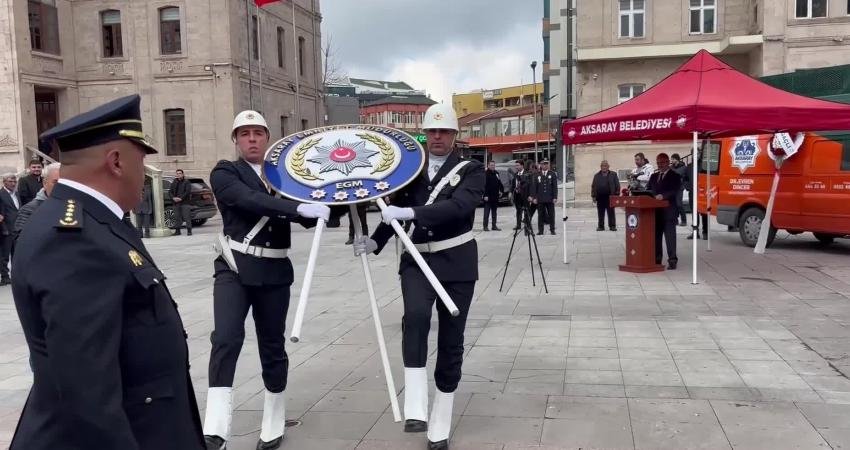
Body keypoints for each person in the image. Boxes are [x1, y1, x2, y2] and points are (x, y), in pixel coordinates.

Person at [10, 94, 204, 449]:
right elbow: (88, 397)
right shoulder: (71, 240)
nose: (144, 172)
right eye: (141, 159)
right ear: (116, 161)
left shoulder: (98, 221)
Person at [353, 103, 484, 450]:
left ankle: (441, 417)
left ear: (454, 135)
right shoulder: (411, 170)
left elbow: (459, 207)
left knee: (452, 339)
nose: (437, 137)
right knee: (414, 317)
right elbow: (390, 211)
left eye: (444, 131)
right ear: (424, 134)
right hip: (416, 259)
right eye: (432, 131)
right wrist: (375, 241)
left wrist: (411, 212)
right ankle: (415, 405)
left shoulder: (471, 170)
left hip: (456, 261)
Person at [202, 110, 334, 450]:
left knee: (272, 345)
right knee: (225, 339)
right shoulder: (225, 172)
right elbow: (247, 199)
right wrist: (297, 209)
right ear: (236, 140)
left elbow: (313, 214)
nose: (252, 139)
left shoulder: (286, 176)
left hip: (274, 270)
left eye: (258, 133)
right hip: (234, 267)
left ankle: (274, 418)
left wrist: (331, 197)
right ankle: (215, 427)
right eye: (244, 133)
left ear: (267, 138)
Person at [647, 153, 682, 270]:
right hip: (656, 212)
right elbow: (649, 190)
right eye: (658, 163)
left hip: (669, 212)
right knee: (656, 238)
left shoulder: (675, 176)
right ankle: (657, 260)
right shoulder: (653, 176)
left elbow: (674, 190)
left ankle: (672, 261)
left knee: (670, 238)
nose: (660, 165)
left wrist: (663, 196)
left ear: (667, 162)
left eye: (662, 163)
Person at [13, 162, 60, 241]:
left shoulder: (76, 205)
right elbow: (21, 240)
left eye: (64, 183)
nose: (61, 187)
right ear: (45, 183)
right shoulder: (29, 210)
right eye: (55, 182)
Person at [0, 174, 21, 285]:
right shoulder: (1, 195)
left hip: (17, 229)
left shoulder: (16, 194)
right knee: (4, 255)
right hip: (6, 230)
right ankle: (4, 277)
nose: (13, 183)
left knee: (16, 254)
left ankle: (15, 275)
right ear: (4, 182)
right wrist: (4, 229)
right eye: (10, 181)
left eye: (14, 181)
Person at [684, 154, 708, 240]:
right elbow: (685, 178)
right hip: (692, 192)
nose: (696, 155)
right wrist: (688, 187)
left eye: (697, 153)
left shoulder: (704, 165)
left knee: (704, 213)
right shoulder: (689, 166)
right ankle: (695, 232)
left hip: (702, 192)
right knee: (694, 213)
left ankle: (705, 232)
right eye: (694, 153)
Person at [590, 160, 619, 231]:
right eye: (602, 166)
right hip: (600, 197)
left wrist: (616, 194)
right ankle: (601, 226)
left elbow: (617, 185)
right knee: (600, 212)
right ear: (600, 167)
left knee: (611, 212)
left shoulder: (613, 174)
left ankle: (612, 226)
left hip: (610, 197)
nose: (604, 167)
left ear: (608, 167)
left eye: (605, 166)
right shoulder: (596, 175)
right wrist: (593, 196)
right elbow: (593, 186)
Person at [531, 159, 558, 235]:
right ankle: (540, 230)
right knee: (540, 215)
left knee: (551, 215)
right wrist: (534, 198)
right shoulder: (537, 175)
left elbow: (554, 187)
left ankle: (552, 230)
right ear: (541, 165)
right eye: (543, 164)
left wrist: (555, 197)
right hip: (540, 198)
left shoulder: (552, 174)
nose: (545, 165)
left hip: (550, 198)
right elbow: (534, 187)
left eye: (546, 164)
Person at [170, 169, 192, 235]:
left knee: (187, 217)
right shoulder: (174, 182)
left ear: (183, 174)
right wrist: (173, 198)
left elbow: (187, 191)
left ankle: (189, 231)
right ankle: (177, 231)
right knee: (177, 217)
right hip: (176, 203)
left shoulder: (187, 182)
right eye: (177, 173)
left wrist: (181, 198)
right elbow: (170, 191)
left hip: (185, 202)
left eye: (180, 173)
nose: (178, 175)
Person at [483, 160, 503, 231]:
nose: (493, 166)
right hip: (488, 197)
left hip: (495, 196)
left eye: (494, 165)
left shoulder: (496, 173)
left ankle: (494, 226)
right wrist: (485, 195)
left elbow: (499, 183)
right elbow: (484, 185)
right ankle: (485, 226)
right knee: (486, 213)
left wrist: (501, 190)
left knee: (494, 212)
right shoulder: (485, 174)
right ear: (488, 166)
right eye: (491, 165)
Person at [510, 160, 531, 230]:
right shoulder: (515, 174)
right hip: (517, 195)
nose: (516, 167)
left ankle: (527, 225)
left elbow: (529, 185)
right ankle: (518, 225)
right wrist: (511, 192)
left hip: (525, 195)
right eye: (515, 165)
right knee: (518, 211)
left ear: (522, 165)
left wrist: (530, 195)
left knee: (526, 210)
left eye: (518, 165)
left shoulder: (527, 174)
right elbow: (513, 184)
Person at [670, 153, 688, 226]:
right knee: (673, 205)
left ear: (677, 159)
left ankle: (684, 220)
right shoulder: (671, 167)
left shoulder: (683, 167)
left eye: (673, 159)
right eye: (671, 159)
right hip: (672, 188)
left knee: (679, 204)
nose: (671, 160)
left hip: (679, 188)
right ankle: (675, 220)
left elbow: (678, 173)